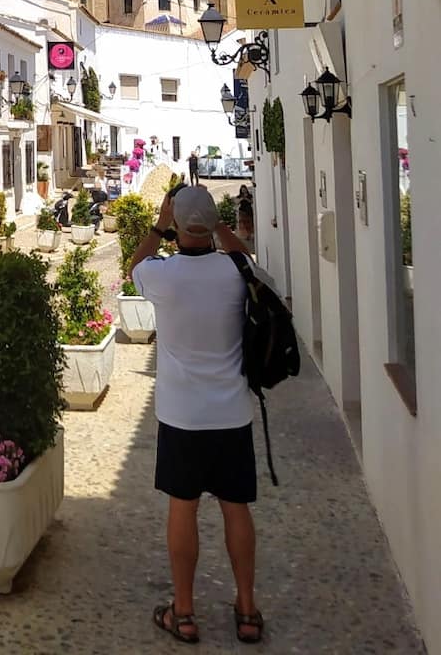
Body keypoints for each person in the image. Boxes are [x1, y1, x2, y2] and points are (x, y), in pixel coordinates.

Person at [129, 184, 264, 645]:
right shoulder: (235, 270)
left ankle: (184, 613)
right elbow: (243, 253)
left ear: (177, 225)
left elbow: (135, 265)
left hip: (182, 415)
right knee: (236, 508)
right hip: (231, 412)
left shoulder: (162, 276)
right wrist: (218, 224)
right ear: (211, 225)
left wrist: (159, 225)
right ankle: (247, 609)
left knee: (182, 508)